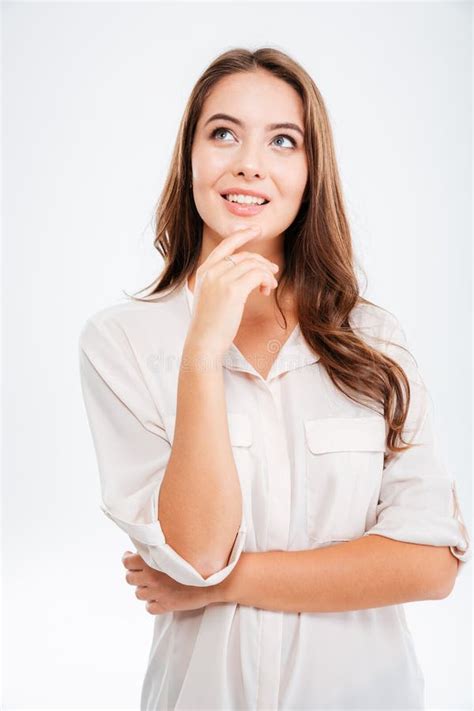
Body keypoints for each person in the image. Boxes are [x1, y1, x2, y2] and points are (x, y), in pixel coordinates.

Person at [78, 47, 471, 710]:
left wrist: (226, 585)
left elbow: (431, 564)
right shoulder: (122, 342)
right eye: (223, 133)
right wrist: (203, 353)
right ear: (190, 157)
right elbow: (196, 551)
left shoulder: (373, 340)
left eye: (283, 140)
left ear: (311, 171)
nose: (248, 163)